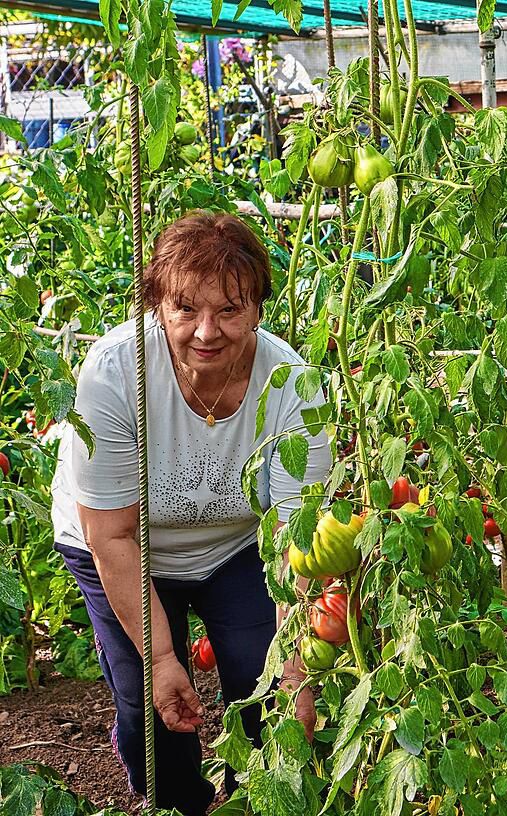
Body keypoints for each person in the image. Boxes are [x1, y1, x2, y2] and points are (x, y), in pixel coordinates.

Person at [51, 212, 332, 816]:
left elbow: (295, 536)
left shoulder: (291, 385)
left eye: (230, 310)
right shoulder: (115, 374)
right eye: (185, 310)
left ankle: (258, 800)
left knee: (264, 686)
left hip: (235, 545)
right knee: (147, 704)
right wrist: (160, 658)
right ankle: (180, 804)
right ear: (157, 306)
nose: (207, 331)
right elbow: (112, 533)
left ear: (258, 306)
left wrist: (296, 663)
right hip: (121, 547)